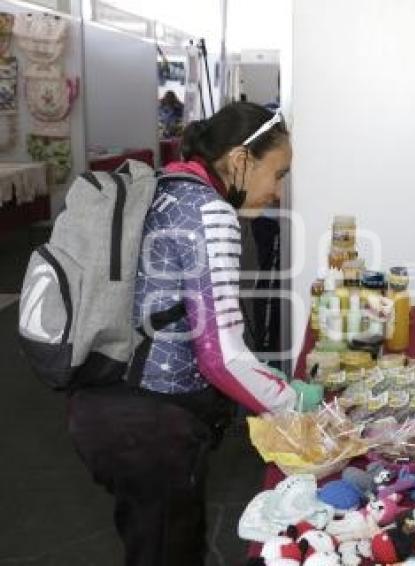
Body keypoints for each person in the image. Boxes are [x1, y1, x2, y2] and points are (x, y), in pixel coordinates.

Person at [68, 102, 323, 565]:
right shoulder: (211, 213)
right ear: (242, 160)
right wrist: (292, 400)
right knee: (169, 549)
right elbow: (220, 356)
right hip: (151, 422)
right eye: (278, 173)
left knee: (154, 541)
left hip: (107, 401)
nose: (279, 191)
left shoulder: (168, 187)